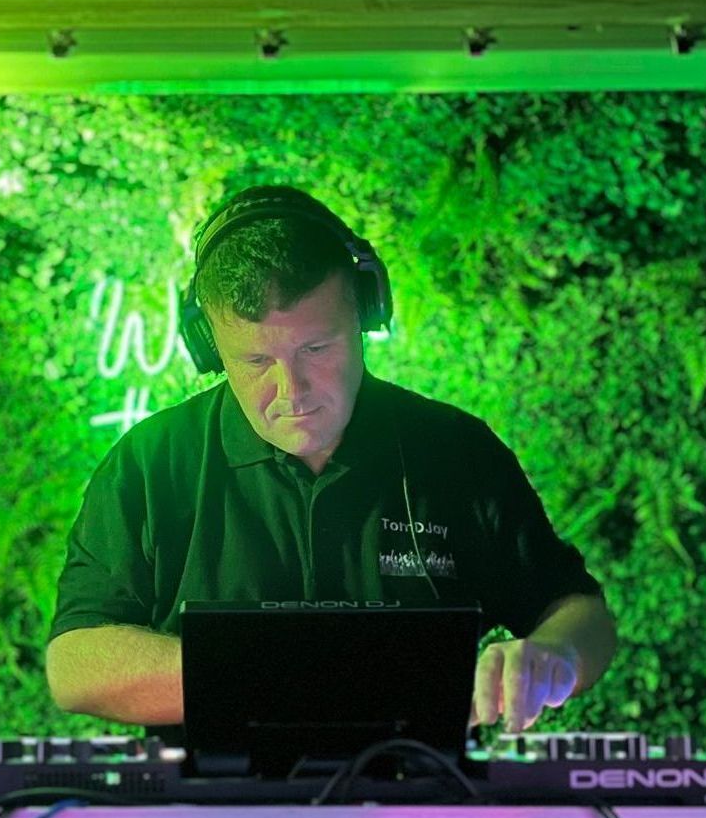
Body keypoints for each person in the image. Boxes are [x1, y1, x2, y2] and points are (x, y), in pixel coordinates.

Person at [46, 184, 616, 740]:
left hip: (423, 791)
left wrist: (553, 657)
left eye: (316, 349)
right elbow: (74, 665)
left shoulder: (456, 450)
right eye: (254, 360)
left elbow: (579, 613)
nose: (290, 389)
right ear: (209, 345)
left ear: (364, 313)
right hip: (205, 795)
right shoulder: (150, 464)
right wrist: (288, 674)